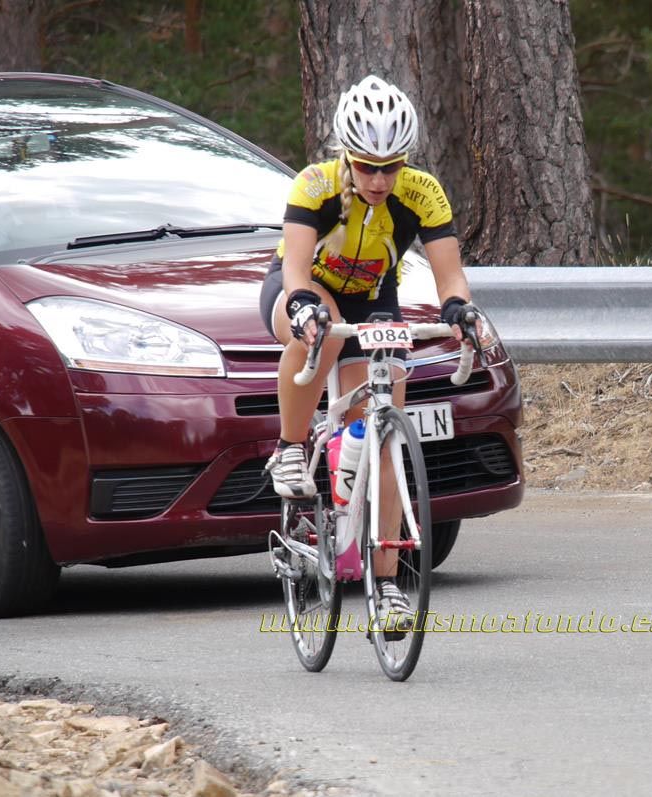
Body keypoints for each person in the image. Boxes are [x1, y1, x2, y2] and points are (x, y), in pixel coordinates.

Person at [260, 75, 476, 631]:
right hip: (307, 291)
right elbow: (295, 271)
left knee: (383, 441)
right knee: (319, 327)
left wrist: (459, 313)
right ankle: (288, 446)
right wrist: (306, 307)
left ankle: (386, 585)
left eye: (392, 166)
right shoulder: (314, 186)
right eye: (367, 166)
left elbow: (451, 278)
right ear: (345, 155)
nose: (380, 180)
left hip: (377, 298)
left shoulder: (423, 193)